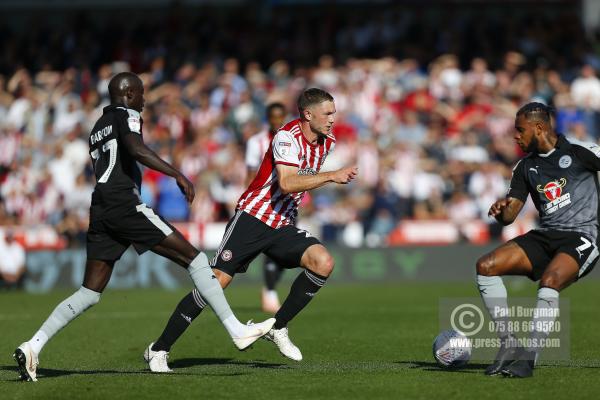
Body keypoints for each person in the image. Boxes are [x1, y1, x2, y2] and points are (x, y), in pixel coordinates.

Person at [13, 72, 275, 382]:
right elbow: (136, 149)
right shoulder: (127, 115)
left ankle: (33, 345)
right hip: (125, 205)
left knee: (89, 292)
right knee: (196, 259)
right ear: (127, 95)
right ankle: (235, 329)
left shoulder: (97, 127)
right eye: (140, 93)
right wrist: (177, 173)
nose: (145, 99)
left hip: (101, 208)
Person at [144, 88, 357, 372]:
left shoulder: (326, 142)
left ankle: (278, 327)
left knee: (323, 262)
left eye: (334, 112)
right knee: (215, 283)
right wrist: (331, 175)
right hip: (253, 218)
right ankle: (159, 349)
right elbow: (287, 183)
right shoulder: (285, 137)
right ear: (308, 114)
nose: (333, 119)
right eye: (328, 113)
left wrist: (319, 178)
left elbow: (303, 173)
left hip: (282, 223)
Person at [477, 102, 600, 378]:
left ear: (539, 128)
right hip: (545, 236)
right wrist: (500, 211)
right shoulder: (525, 166)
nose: (515, 136)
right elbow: (510, 215)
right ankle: (509, 344)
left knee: (550, 281)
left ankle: (528, 359)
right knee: (486, 266)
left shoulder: (581, 152)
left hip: (582, 236)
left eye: (520, 130)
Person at [245, 102, 287, 313]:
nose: (277, 121)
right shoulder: (256, 142)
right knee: (271, 249)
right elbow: (250, 174)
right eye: (273, 117)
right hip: (265, 203)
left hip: (288, 203)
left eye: (281, 117)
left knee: (286, 252)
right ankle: (270, 290)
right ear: (268, 118)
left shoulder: (293, 141)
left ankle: (270, 286)